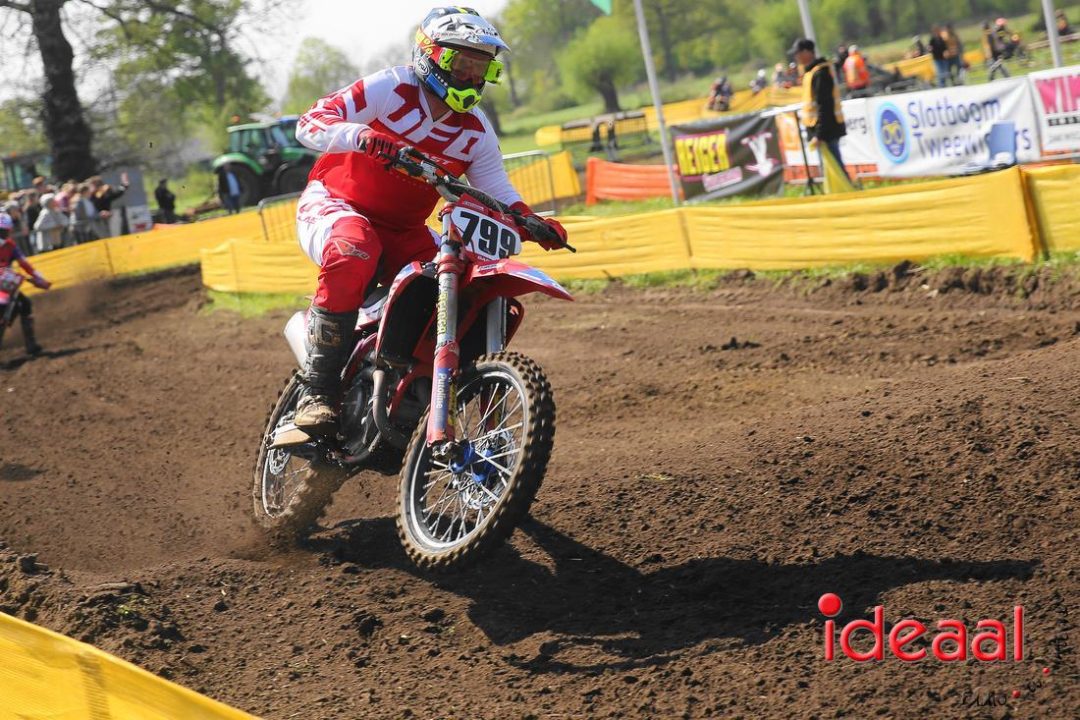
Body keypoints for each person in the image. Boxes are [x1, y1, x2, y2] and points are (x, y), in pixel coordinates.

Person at [290, 6, 567, 432]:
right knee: (354, 247)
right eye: (462, 63)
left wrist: (531, 221)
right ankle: (318, 391)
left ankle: (417, 391)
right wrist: (363, 136)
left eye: (482, 67)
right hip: (336, 203)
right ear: (430, 55)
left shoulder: (476, 131)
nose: (471, 76)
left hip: (404, 231)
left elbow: (497, 190)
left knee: (465, 281)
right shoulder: (391, 88)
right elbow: (310, 123)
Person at [791, 38, 848, 179]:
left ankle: (847, 190)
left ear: (807, 52)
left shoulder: (820, 73)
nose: (796, 57)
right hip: (821, 129)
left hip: (826, 131)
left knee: (836, 170)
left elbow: (825, 106)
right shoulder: (812, 73)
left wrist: (819, 134)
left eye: (798, 53)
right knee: (831, 171)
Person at [0, 211, 52, 356]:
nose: (3, 234)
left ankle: (31, 344)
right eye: (1, 231)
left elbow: (24, 263)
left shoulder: (10, 246)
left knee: (25, 304)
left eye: (5, 231)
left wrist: (39, 278)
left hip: (5, 283)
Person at [89, 173, 129, 238]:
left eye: (92, 185)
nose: (90, 187)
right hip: (96, 218)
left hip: (106, 216)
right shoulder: (91, 195)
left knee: (109, 235)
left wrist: (124, 185)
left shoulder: (103, 191)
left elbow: (116, 194)